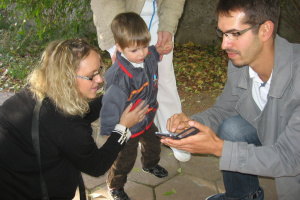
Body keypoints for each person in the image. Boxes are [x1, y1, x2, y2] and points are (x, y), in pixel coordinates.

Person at [161, 0, 300, 199]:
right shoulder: (240, 64)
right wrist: (192, 124)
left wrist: (219, 148)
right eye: (223, 34)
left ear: (265, 30)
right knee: (232, 128)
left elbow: (290, 158)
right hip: (272, 134)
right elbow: (225, 109)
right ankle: (243, 196)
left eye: (235, 34)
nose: (225, 44)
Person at [0, 38, 148, 199]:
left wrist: (111, 98)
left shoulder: (39, 91)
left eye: (99, 71)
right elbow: (97, 166)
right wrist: (123, 128)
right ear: (67, 79)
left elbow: (78, 117)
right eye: (91, 76)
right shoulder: (67, 125)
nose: (99, 80)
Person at [90, 0, 191, 162]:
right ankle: (131, 129)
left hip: (158, 17)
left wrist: (167, 26)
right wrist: (119, 40)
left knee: (163, 78)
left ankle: (173, 131)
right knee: (130, 86)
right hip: (121, 22)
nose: (142, 53)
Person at [99, 12, 171, 200]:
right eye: (134, 50)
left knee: (154, 145)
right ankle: (115, 185)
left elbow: (152, 54)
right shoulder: (118, 79)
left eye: (144, 47)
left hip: (146, 120)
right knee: (124, 160)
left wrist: (158, 50)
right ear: (119, 48)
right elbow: (109, 108)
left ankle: (150, 164)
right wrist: (111, 133)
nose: (141, 54)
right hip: (127, 128)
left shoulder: (146, 57)